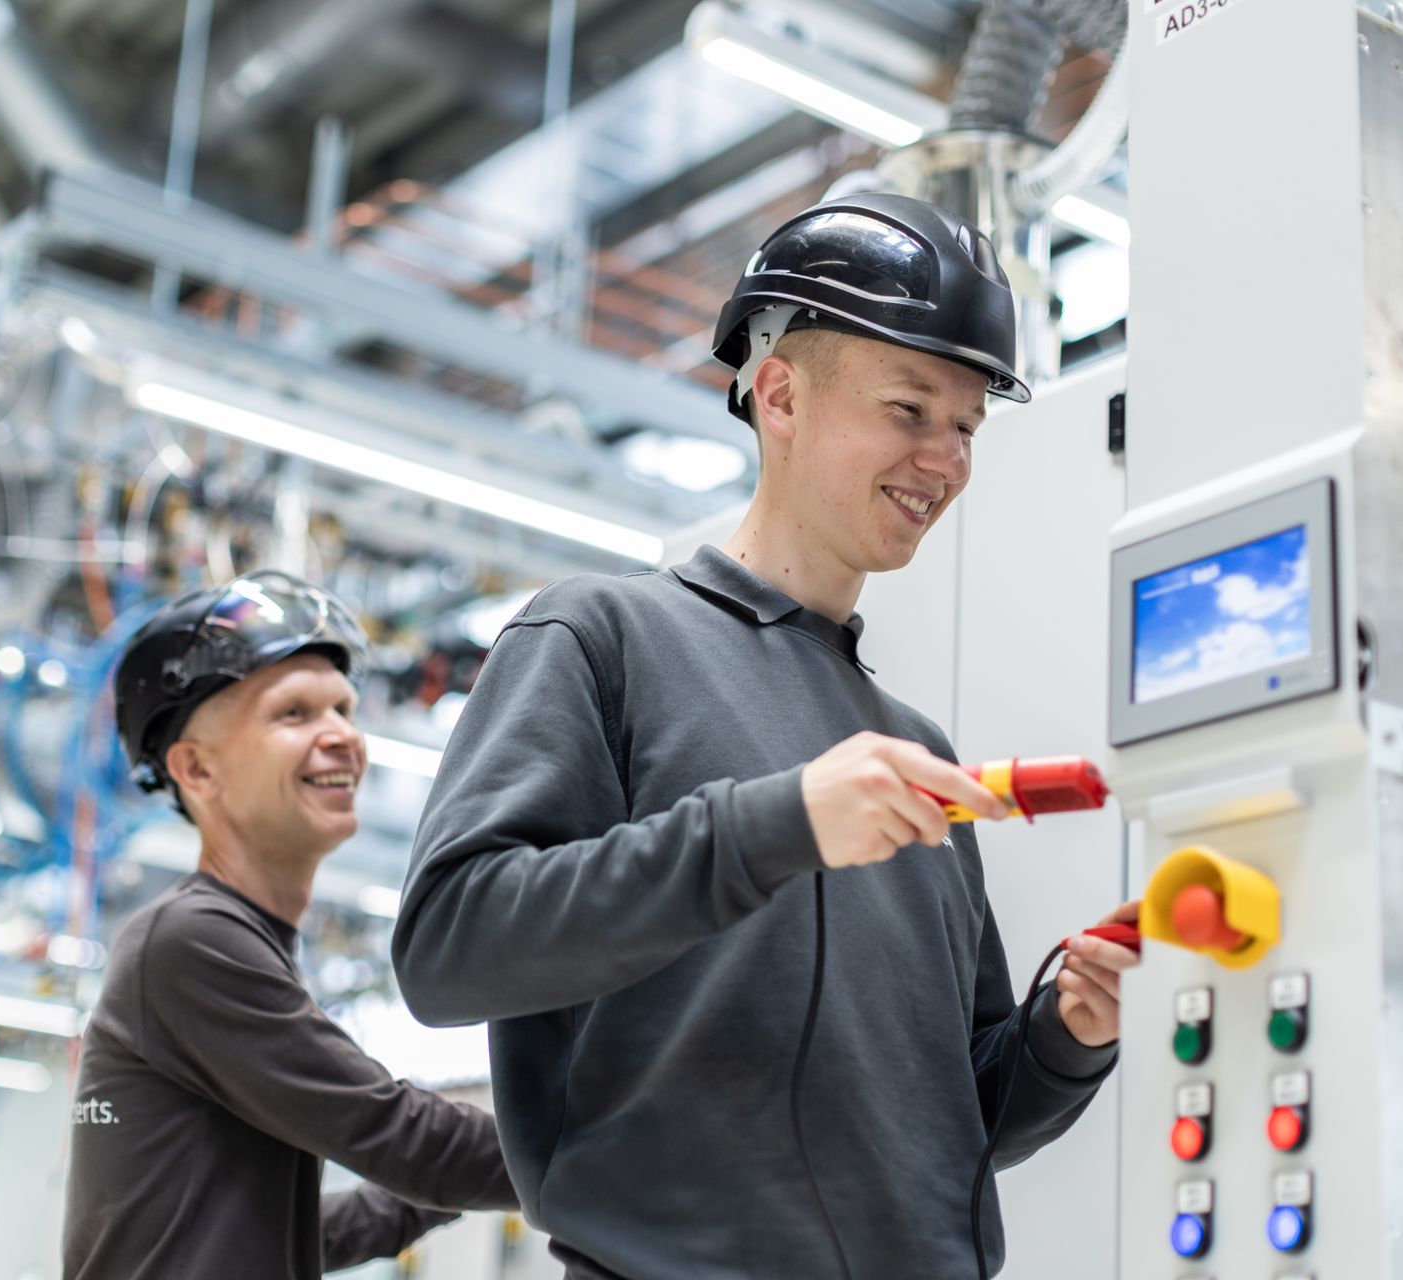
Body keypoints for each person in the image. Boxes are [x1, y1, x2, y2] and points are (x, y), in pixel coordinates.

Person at [390, 192, 1140, 1279]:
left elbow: (949, 1124)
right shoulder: (601, 639)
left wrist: (1065, 1030)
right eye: (909, 408)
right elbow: (448, 949)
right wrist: (769, 824)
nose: (947, 459)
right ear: (781, 393)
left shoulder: (910, 748)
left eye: (967, 425)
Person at [63, 570, 519, 1279]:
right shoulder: (192, 940)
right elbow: (393, 1133)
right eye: (295, 714)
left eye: (343, 708)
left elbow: (274, 1231)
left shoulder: (232, 944)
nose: (343, 735)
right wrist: (607, 1154)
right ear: (196, 769)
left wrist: (430, 1194)